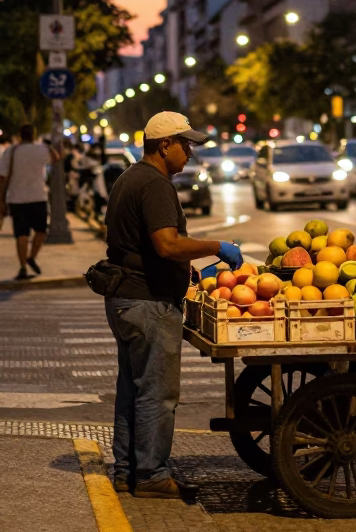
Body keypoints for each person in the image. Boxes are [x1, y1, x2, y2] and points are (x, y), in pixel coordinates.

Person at [104, 111, 243, 500]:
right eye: (186, 145)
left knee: (133, 390)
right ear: (164, 145)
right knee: (157, 393)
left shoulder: (128, 178)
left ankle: (126, 470)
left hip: (126, 298)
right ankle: (151, 474)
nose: (191, 154)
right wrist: (216, 246)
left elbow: (142, 246)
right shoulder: (155, 184)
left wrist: (188, 270)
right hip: (148, 303)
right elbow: (166, 244)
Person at [0, 124, 58, 280]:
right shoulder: (42, 149)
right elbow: (57, 157)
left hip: (16, 198)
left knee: (21, 234)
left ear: (20, 135)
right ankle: (31, 257)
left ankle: (23, 266)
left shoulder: (11, 151)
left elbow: (0, 176)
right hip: (38, 197)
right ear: (34, 135)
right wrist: (49, 145)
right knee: (41, 232)